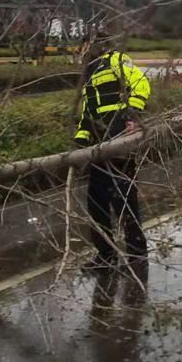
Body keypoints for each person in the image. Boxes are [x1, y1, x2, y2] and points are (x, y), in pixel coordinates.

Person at [74, 40, 152, 270]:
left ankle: (137, 256)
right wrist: (80, 141)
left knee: (124, 199)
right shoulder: (89, 74)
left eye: (86, 46)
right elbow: (87, 113)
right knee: (96, 203)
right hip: (97, 146)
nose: (83, 51)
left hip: (119, 139)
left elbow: (141, 84)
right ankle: (105, 255)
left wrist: (131, 115)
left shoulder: (115, 60)